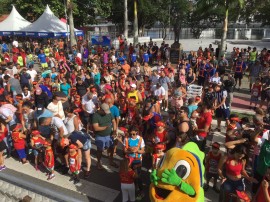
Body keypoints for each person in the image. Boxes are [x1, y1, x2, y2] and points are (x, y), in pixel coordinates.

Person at [92, 103, 118, 170]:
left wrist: (114, 130)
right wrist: (105, 127)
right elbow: (96, 128)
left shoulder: (109, 113)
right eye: (105, 111)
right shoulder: (95, 116)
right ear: (101, 109)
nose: (107, 113)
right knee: (100, 150)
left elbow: (114, 121)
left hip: (109, 135)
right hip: (100, 136)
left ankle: (111, 161)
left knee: (111, 148)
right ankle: (98, 162)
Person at [123, 126, 145, 200]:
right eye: (130, 134)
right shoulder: (126, 139)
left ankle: (141, 191)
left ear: (136, 132)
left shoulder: (140, 139)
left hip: (137, 160)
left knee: (138, 176)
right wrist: (130, 151)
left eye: (134, 134)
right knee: (129, 176)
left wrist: (137, 151)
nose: (132, 136)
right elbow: (125, 151)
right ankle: (133, 189)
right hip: (128, 160)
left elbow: (143, 151)